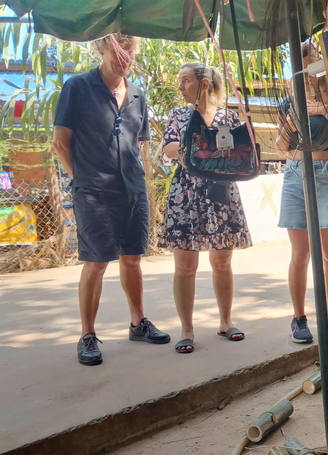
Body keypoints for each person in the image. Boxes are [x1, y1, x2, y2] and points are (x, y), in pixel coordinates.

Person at [52, 34, 170, 366]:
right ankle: (87, 335)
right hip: (92, 190)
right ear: (100, 50)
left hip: (132, 189)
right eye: (117, 52)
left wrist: (140, 182)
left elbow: (138, 146)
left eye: (129, 53)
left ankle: (138, 323)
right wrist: (83, 180)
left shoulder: (137, 95)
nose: (124, 58)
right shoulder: (77, 88)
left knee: (132, 259)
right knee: (97, 262)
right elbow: (60, 143)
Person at [160, 63, 252, 354]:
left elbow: (238, 151)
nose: (180, 86)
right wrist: (202, 147)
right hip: (186, 192)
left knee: (223, 262)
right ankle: (186, 330)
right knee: (185, 267)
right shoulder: (178, 115)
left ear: (203, 84)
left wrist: (208, 149)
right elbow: (169, 149)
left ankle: (226, 321)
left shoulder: (228, 116)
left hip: (221, 190)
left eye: (185, 80)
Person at [275, 40, 328, 344]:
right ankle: (299, 319)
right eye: (300, 67)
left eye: (310, 63)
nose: (306, 72)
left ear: (321, 65)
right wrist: (297, 116)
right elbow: (281, 147)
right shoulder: (289, 102)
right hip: (296, 176)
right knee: (300, 253)